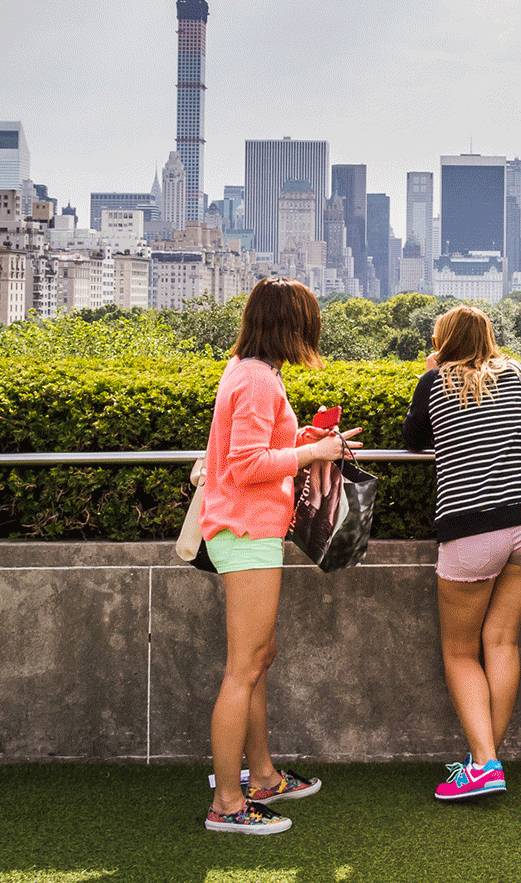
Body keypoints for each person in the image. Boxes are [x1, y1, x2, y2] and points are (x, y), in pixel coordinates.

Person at [202, 278, 361, 835]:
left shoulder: (250, 370)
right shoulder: (255, 379)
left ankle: (263, 776)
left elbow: (254, 450)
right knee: (243, 668)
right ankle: (228, 802)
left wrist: (309, 442)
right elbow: (246, 465)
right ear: (291, 326)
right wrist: (314, 451)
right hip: (246, 531)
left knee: (259, 657)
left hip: (249, 531)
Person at [403, 305, 521, 801]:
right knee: (503, 641)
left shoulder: (435, 382)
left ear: (443, 342)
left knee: (460, 651)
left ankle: (485, 764)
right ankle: (483, 761)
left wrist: (431, 373)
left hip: (472, 533)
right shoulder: (518, 372)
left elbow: (413, 441)